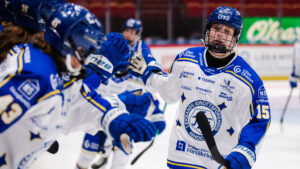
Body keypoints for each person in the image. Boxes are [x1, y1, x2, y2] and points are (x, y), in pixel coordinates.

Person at [0, 3, 157, 169]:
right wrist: (98, 72)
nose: (84, 60)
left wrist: (114, 111)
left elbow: (71, 97)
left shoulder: (43, 63)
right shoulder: (35, 75)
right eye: (84, 51)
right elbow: (62, 100)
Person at [130, 6, 271, 169]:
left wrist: (244, 152)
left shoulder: (248, 80)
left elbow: (258, 120)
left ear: (235, 37)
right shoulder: (186, 59)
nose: (219, 34)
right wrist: (149, 73)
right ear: (208, 30)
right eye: (216, 28)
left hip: (219, 161)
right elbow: (170, 93)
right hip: (182, 154)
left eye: (227, 31)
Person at [75, 18, 166, 169]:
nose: (129, 34)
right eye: (127, 30)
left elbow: (149, 85)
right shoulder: (113, 45)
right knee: (86, 154)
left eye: (133, 32)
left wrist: (156, 109)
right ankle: (103, 154)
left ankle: (106, 153)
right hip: (100, 108)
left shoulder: (142, 52)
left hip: (123, 112)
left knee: (121, 158)